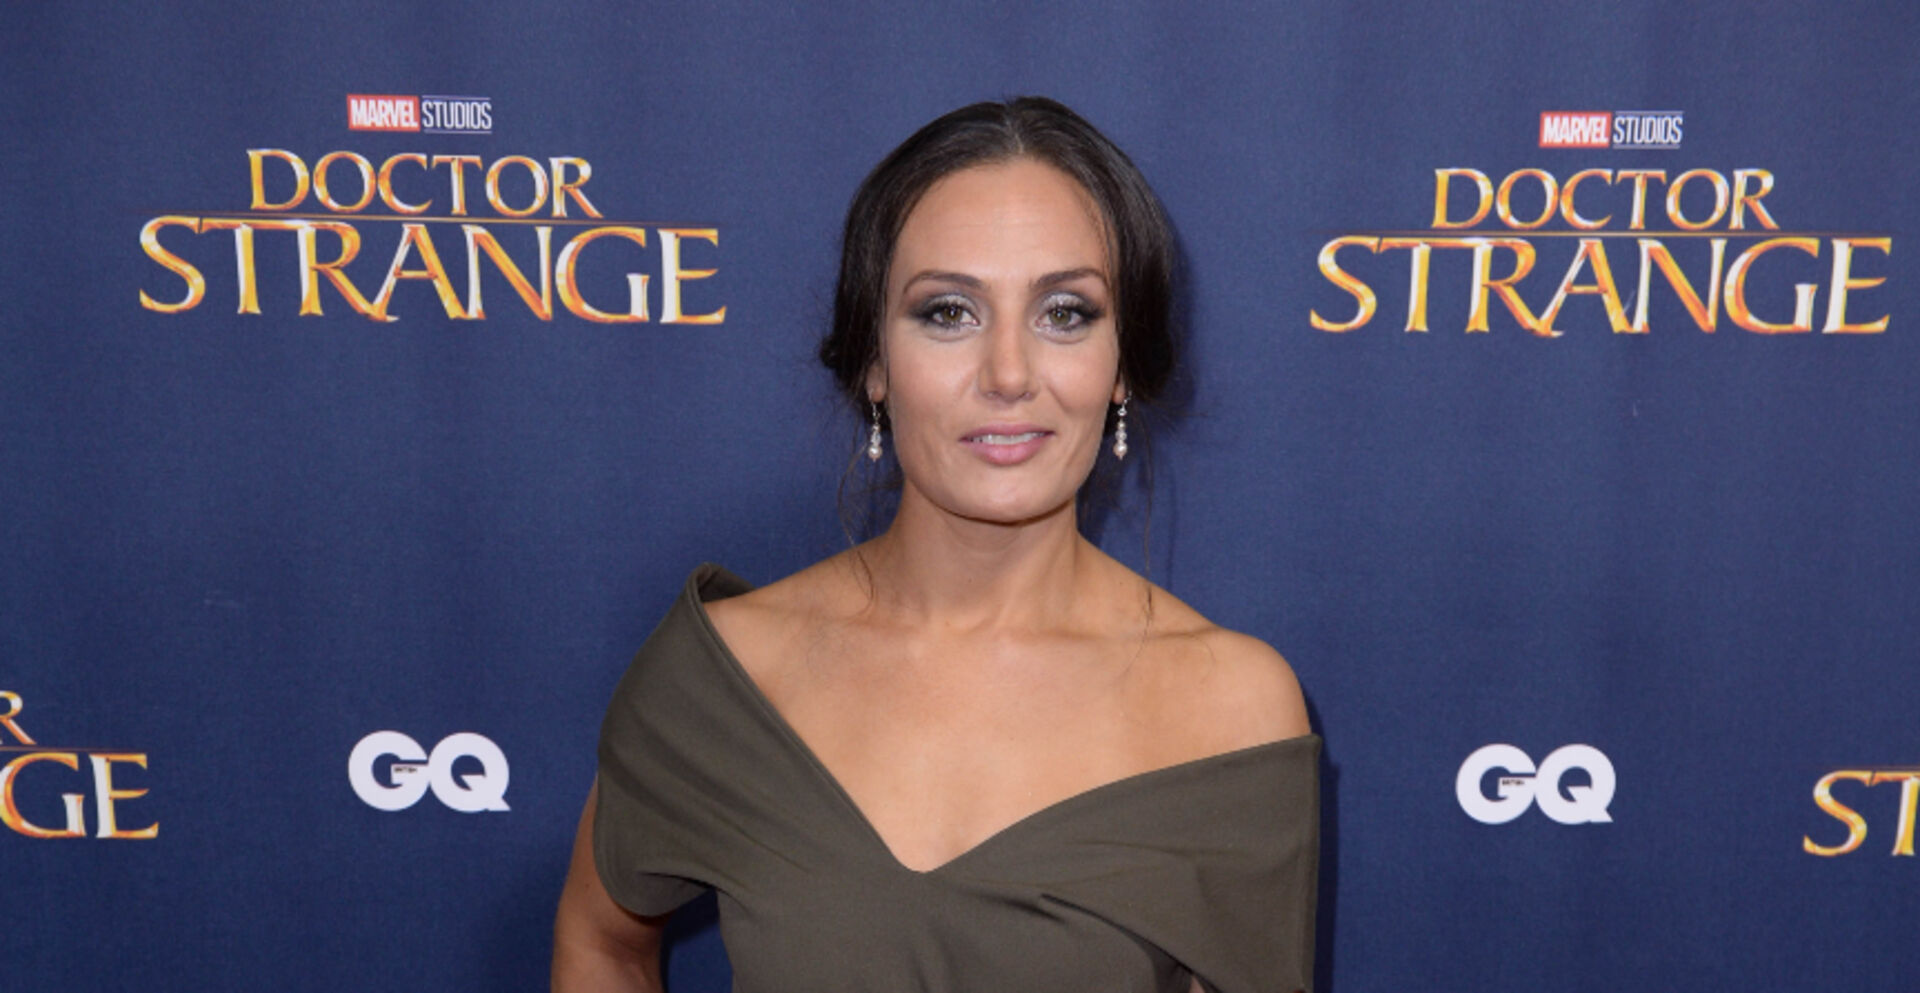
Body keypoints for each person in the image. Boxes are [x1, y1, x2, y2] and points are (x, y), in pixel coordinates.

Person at [551, 96, 1319, 993]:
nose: (1009, 374)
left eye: (1066, 312)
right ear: (875, 361)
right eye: (949, 312)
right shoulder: (730, 678)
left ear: (1122, 367)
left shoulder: (1231, 710)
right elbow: (601, 942)